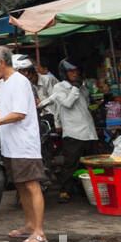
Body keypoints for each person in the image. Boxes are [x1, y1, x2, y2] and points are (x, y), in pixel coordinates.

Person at [0, 48, 46, 242]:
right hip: (11, 145)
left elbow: (19, 114)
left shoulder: (19, 82)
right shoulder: (4, 84)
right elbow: (0, 111)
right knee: (21, 186)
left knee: (32, 186)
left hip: (24, 144)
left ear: (1, 63)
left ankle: (39, 232)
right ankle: (30, 225)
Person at [40, 59, 98, 203]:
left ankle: (91, 190)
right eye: (71, 71)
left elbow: (85, 106)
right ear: (64, 73)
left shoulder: (82, 88)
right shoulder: (60, 87)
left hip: (89, 131)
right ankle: (65, 191)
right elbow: (67, 103)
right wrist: (75, 88)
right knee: (70, 165)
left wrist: (79, 87)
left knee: (92, 163)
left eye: (76, 71)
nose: (74, 73)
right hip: (73, 132)